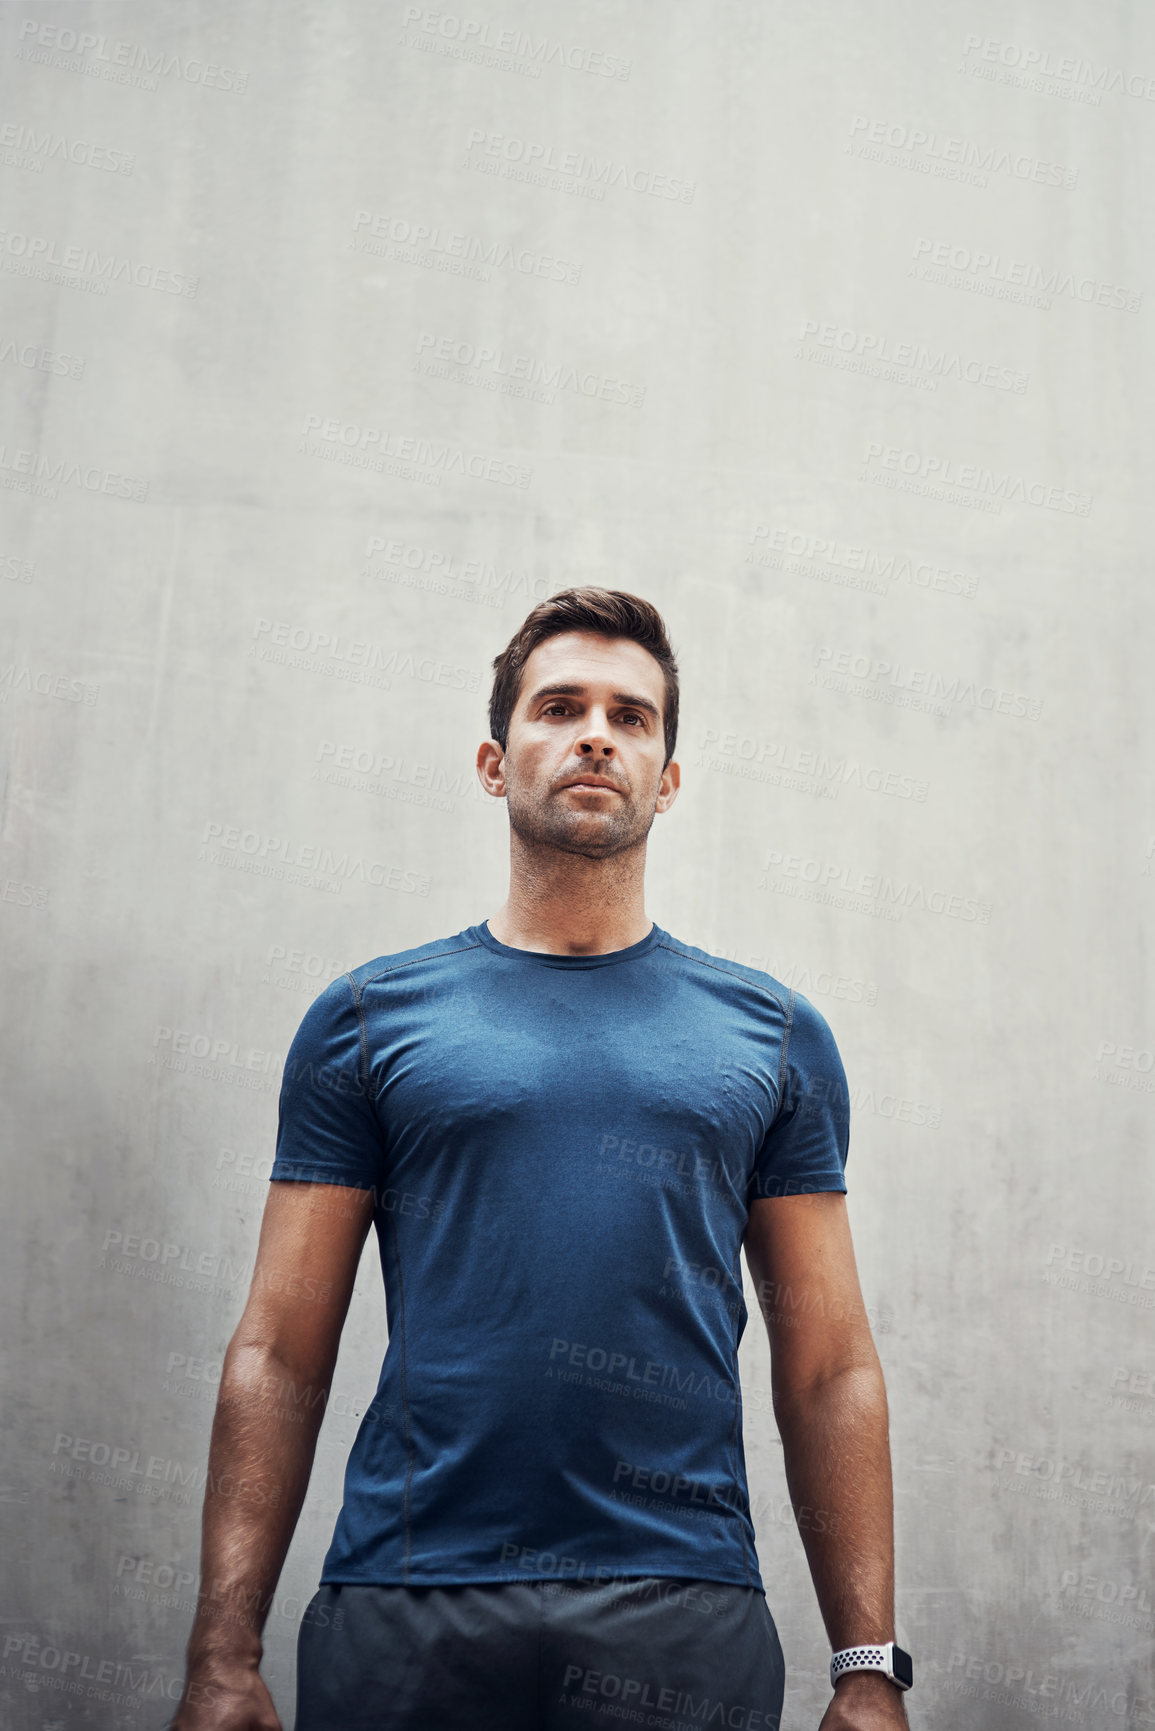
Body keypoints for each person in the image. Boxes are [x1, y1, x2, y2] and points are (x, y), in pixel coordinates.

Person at [172, 588, 911, 1731]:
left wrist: (867, 1667)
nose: (596, 735)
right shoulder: (367, 1019)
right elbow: (277, 1351)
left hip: (684, 1611)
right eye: (559, 706)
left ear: (668, 777)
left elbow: (830, 1367)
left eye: (633, 716)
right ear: (492, 758)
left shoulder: (773, 1034)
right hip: (406, 1604)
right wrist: (224, 1653)